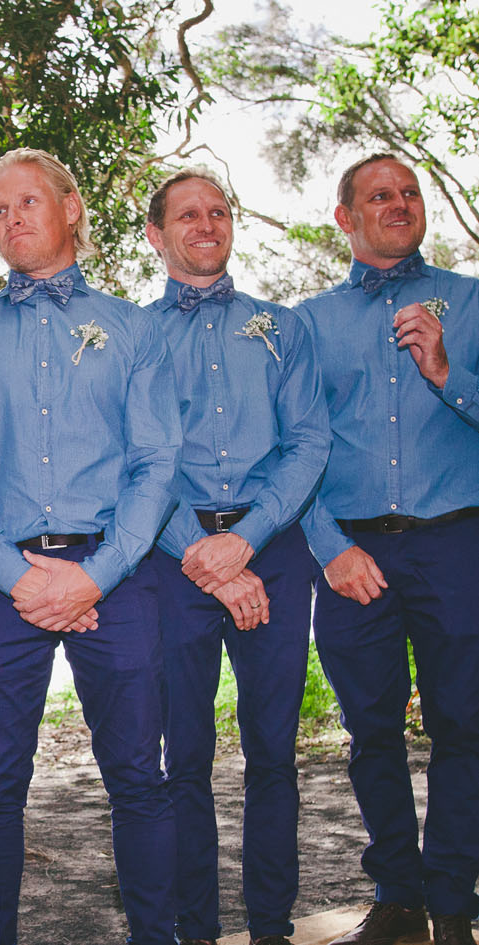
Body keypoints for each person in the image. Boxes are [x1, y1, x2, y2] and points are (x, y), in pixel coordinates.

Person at [0, 147, 181, 945]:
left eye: (26, 201)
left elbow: (156, 462)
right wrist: (12, 572)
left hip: (114, 579)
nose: (10, 218)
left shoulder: (132, 328)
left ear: (71, 207)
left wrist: (96, 575)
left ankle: (153, 935)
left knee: (137, 775)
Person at [143, 168, 331, 945]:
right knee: (183, 755)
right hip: (171, 558)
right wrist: (201, 552)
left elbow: (308, 442)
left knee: (273, 752)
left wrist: (244, 540)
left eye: (218, 211)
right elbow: (135, 460)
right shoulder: (134, 336)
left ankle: (271, 926)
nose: (206, 224)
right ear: (155, 235)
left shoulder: (283, 328)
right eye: (187, 214)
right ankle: (194, 928)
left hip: (272, 554)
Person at [298, 153, 479, 945]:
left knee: (464, 724)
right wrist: (326, 546)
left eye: (409, 192)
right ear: (345, 217)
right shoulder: (307, 324)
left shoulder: (471, 302)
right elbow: (291, 447)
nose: (399, 203)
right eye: (379, 195)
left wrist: (446, 370)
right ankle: (398, 896)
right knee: (370, 730)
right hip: (351, 557)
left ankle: (453, 898)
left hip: (456, 546)